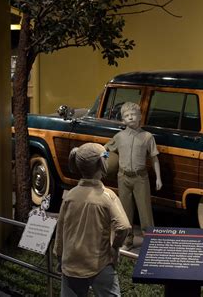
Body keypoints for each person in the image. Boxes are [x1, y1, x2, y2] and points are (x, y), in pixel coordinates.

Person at [53, 143, 131, 297]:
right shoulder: (107, 197)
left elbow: (61, 230)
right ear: (102, 164)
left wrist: (60, 256)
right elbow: (123, 226)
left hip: (71, 265)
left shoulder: (70, 196)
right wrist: (114, 248)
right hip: (99, 264)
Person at [105, 102, 162, 250]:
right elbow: (106, 149)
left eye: (133, 114)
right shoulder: (119, 137)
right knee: (124, 211)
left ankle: (150, 242)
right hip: (123, 178)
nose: (130, 117)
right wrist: (100, 157)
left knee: (145, 211)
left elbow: (154, 158)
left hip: (140, 178)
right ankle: (127, 240)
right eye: (126, 115)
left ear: (140, 116)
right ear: (123, 120)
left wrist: (158, 178)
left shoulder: (147, 137)